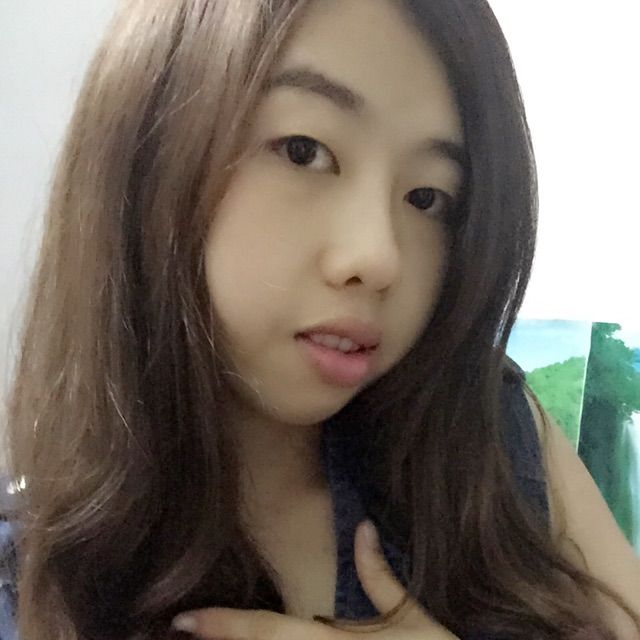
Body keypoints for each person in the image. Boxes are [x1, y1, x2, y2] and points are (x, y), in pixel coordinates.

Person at [1, 0, 639, 638]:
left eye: (426, 197)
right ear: (149, 149)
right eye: (304, 151)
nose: (379, 257)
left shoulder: (488, 436)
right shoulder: (30, 577)